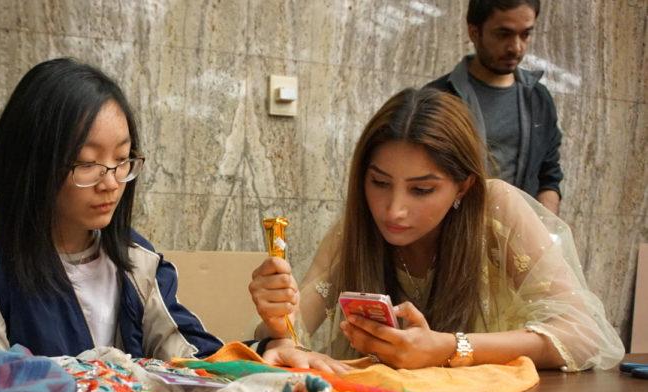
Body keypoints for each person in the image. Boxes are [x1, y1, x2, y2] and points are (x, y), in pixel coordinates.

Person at [0, 58, 342, 372]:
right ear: (31, 161)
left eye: (122, 161)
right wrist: (120, 377)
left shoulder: (134, 260)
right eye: (86, 164)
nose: (111, 182)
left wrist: (265, 347)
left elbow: (192, 359)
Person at [249, 87, 623, 371]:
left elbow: (583, 334)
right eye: (379, 183)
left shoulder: (496, 207)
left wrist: (448, 347)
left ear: (463, 186)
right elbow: (297, 327)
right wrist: (277, 325)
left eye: (422, 190)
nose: (394, 210)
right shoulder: (356, 228)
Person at [426, 0, 563, 215]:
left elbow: (549, 176)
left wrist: (546, 230)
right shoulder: (439, 99)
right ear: (474, 32)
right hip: (454, 235)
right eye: (503, 34)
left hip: (518, 239)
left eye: (525, 34)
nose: (516, 47)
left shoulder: (538, 99)